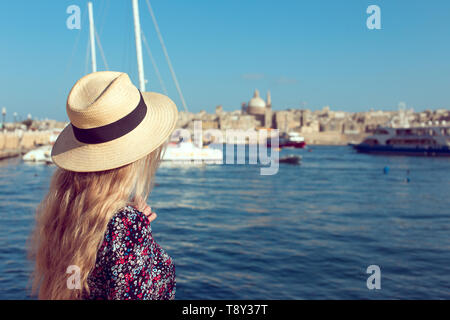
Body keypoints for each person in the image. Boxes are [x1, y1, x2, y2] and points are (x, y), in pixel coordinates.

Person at [28, 71, 178, 300]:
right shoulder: (125, 226)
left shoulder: (68, 212)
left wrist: (128, 225)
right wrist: (131, 229)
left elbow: (77, 283)